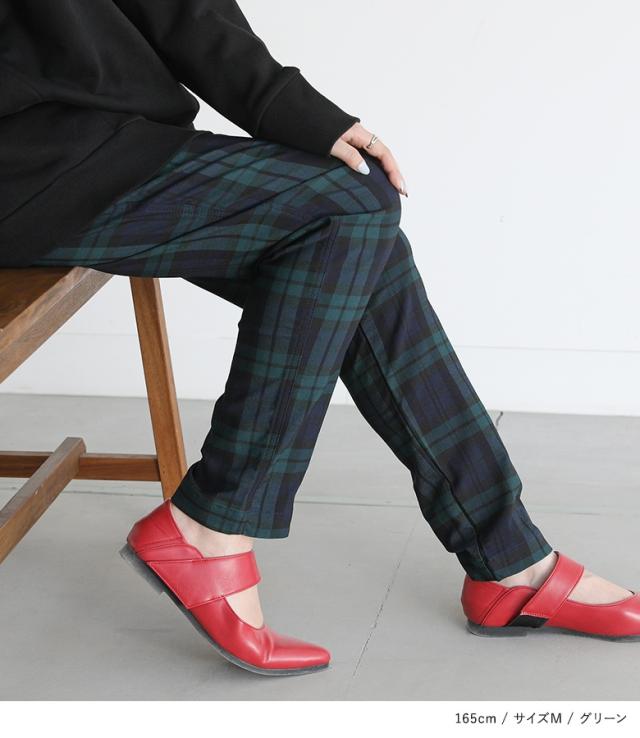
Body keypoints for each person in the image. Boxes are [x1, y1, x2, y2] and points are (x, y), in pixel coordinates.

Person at [1, 0, 638, 677]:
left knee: (359, 234)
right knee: (348, 211)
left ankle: (511, 560)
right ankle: (213, 526)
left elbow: (181, 11)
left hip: (104, 142)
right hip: (30, 162)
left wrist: (299, 112)